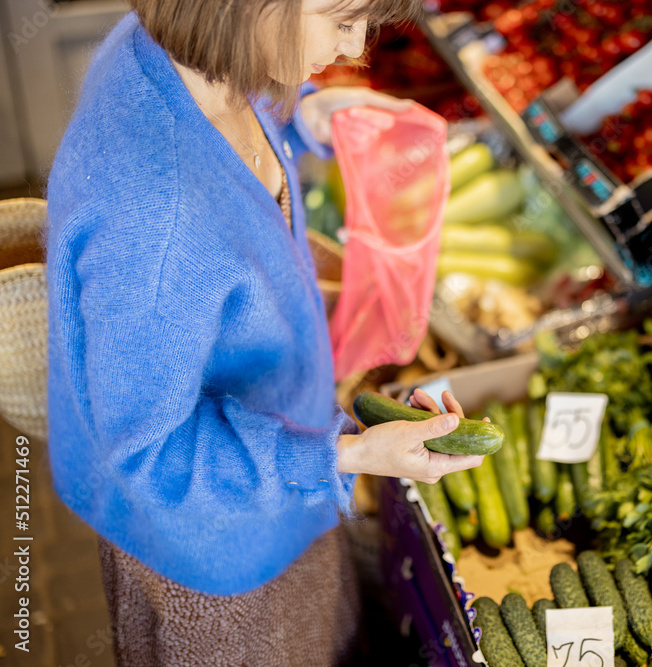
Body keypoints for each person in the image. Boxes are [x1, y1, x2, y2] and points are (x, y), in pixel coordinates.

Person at [45, 0, 483, 664]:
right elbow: (149, 454)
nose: (356, 47)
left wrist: (303, 119)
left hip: (279, 485)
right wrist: (346, 456)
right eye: (341, 16)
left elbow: (233, 140)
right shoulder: (155, 212)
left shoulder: (179, 51)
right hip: (220, 552)